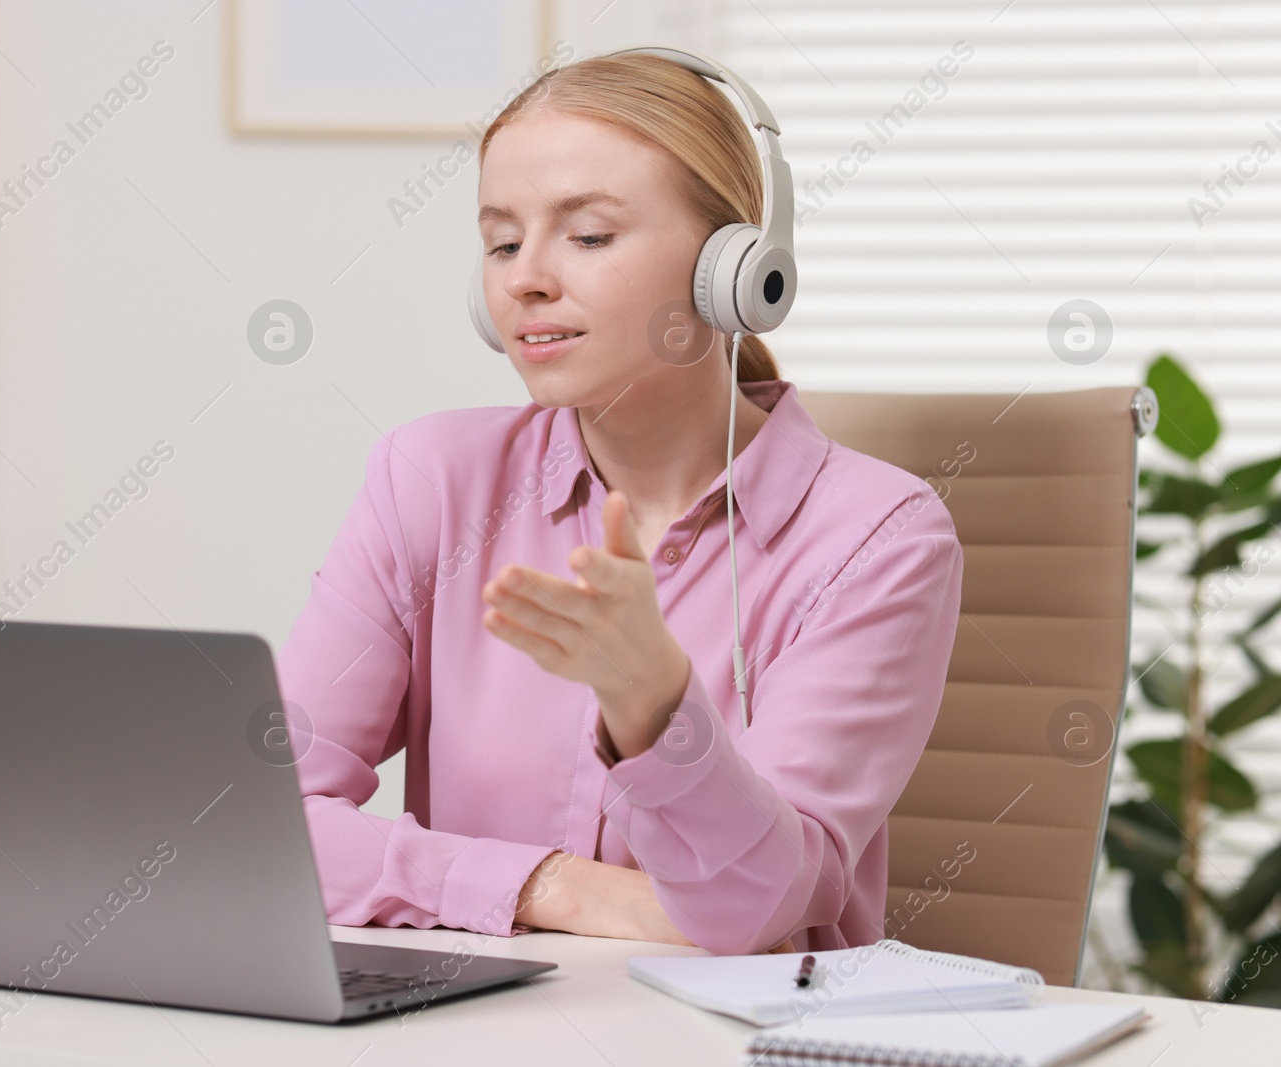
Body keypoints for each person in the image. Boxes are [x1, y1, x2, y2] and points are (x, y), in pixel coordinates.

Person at [274, 52, 963, 956]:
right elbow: (256, 819)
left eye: (588, 236)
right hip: (477, 1033)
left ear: (736, 268)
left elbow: (756, 910)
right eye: (502, 240)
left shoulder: (876, 539)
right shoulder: (432, 479)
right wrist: (547, 884)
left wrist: (654, 705)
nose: (526, 277)